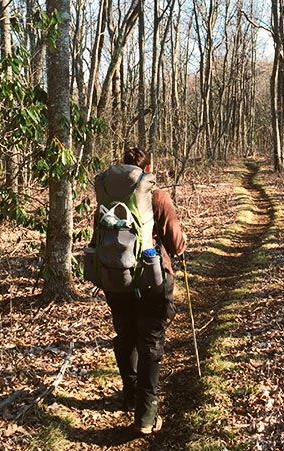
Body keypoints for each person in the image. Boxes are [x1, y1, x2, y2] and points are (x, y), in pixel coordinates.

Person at [91, 147, 186, 435]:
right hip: (153, 279)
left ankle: (130, 395)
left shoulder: (107, 198)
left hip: (115, 279)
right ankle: (145, 416)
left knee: (126, 336)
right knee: (151, 343)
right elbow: (177, 244)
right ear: (147, 171)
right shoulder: (157, 196)